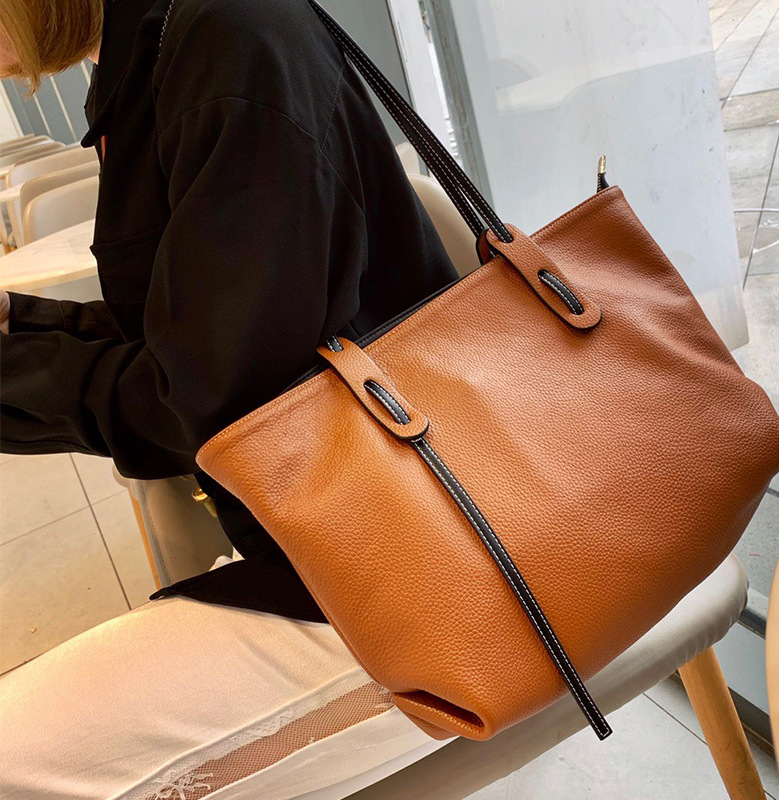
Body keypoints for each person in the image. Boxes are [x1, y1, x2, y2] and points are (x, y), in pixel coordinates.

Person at [0, 0, 458, 619]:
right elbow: (197, 323)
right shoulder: (160, 55)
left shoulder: (225, 48)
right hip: (358, 505)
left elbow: (211, 399)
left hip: (402, 547)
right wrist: (23, 323)